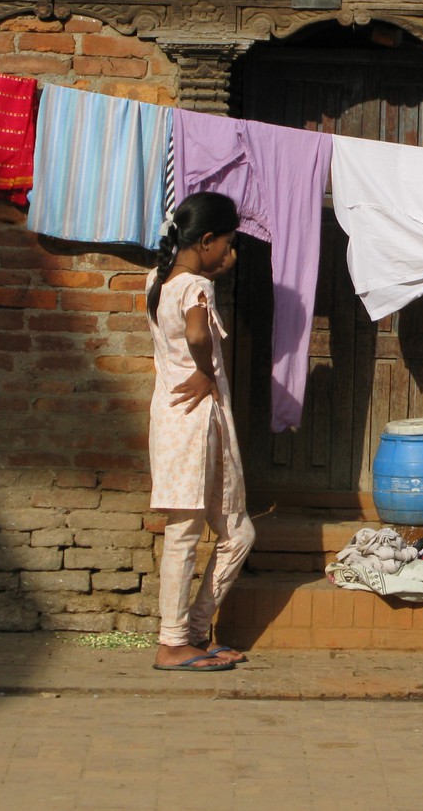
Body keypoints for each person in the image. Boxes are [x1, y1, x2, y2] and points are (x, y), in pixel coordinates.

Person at [145, 191, 256, 671]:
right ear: (206, 241)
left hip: (173, 418)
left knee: (227, 531)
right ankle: (174, 641)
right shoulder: (196, 287)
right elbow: (195, 333)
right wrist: (207, 370)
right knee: (192, 532)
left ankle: (189, 632)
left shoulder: (157, 280)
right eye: (227, 245)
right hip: (192, 421)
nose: (231, 255)